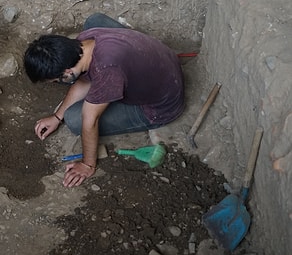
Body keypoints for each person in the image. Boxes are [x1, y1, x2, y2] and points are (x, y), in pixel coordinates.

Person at [24, 13, 184, 187]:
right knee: (94, 20)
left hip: (162, 104)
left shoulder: (107, 69)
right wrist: (56, 116)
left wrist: (87, 164)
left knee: (74, 119)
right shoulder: (84, 41)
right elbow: (84, 80)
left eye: (56, 81)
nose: (57, 84)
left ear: (67, 72)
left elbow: (90, 120)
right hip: (163, 61)